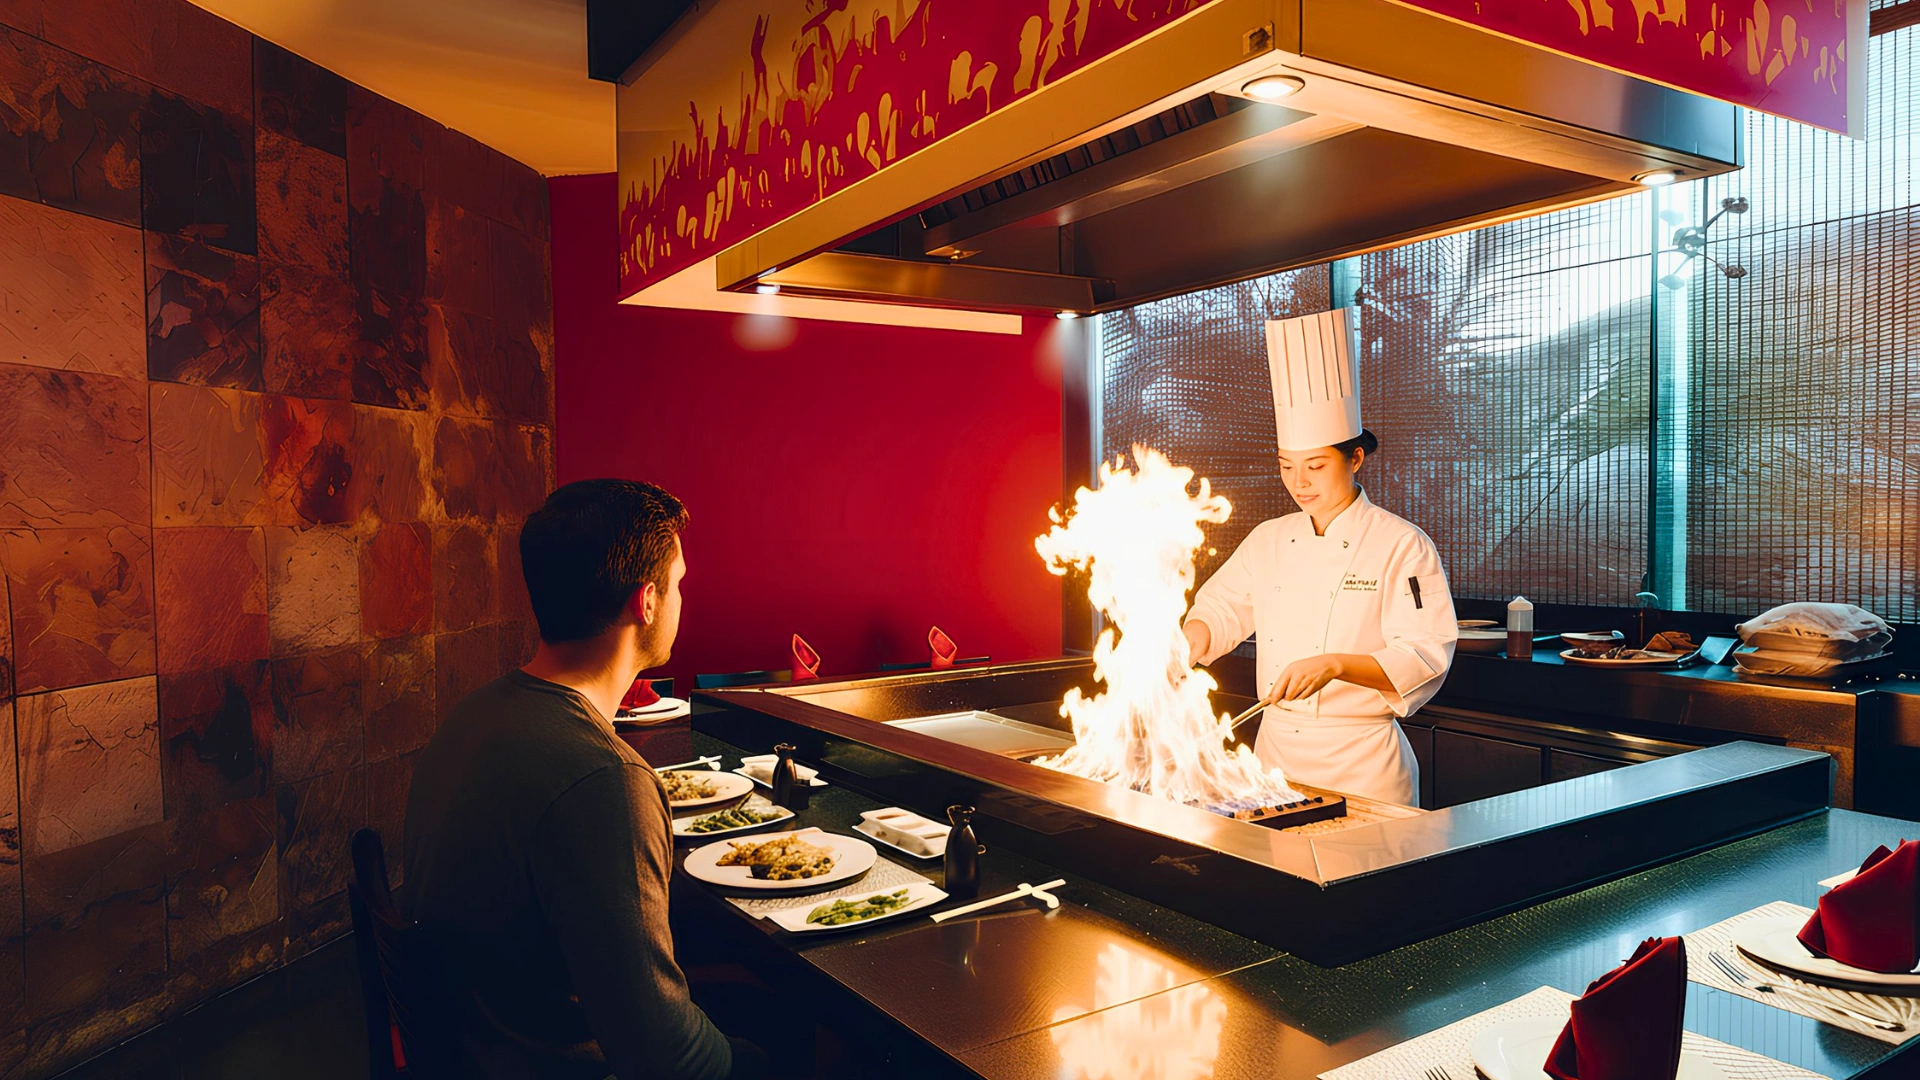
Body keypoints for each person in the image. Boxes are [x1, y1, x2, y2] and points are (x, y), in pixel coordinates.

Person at [403, 479, 768, 1079]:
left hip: (475, 1045)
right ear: (645, 602)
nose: (681, 599)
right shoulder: (607, 779)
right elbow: (665, 1058)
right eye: (679, 584)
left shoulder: (476, 714)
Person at [1182, 309, 1457, 806]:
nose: (1299, 482)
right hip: (1274, 758)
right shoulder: (1269, 538)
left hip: (1362, 762)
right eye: (1287, 466)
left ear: (1354, 459)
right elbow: (1220, 610)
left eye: (1315, 465)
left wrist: (1334, 664)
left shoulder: (1401, 543)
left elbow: (1424, 653)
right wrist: (1183, 647)